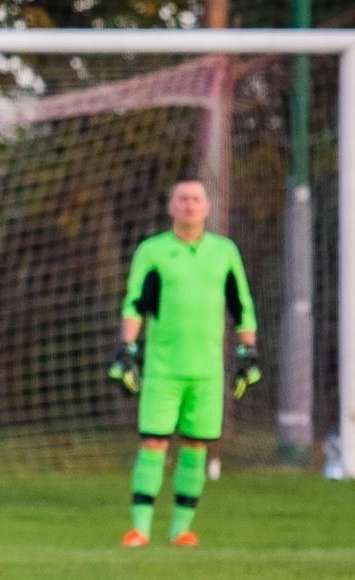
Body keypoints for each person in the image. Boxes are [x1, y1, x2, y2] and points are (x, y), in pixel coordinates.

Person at [108, 179, 258, 547]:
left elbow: (242, 305)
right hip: (163, 369)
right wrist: (125, 347)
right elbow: (135, 303)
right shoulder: (153, 251)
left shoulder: (224, 252)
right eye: (183, 199)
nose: (190, 206)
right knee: (154, 444)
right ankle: (140, 528)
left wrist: (248, 351)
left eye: (196, 199)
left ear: (207, 207)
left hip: (207, 373)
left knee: (196, 447)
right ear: (171, 207)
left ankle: (181, 530)